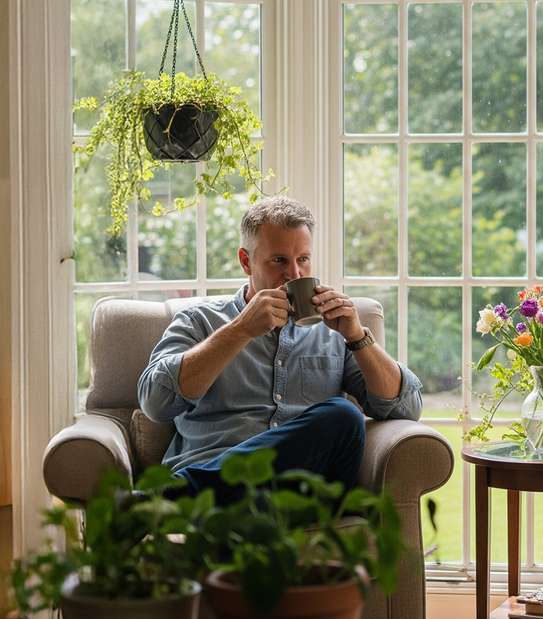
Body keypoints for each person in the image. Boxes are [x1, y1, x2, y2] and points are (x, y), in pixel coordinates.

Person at [138, 196, 423, 502]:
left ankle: (165, 499)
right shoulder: (200, 320)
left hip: (300, 492)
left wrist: (357, 337)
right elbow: (156, 402)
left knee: (342, 416)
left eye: (303, 259)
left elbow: (405, 408)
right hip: (220, 485)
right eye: (279, 261)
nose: (295, 275)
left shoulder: (336, 332)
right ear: (246, 261)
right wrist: (240, 330)